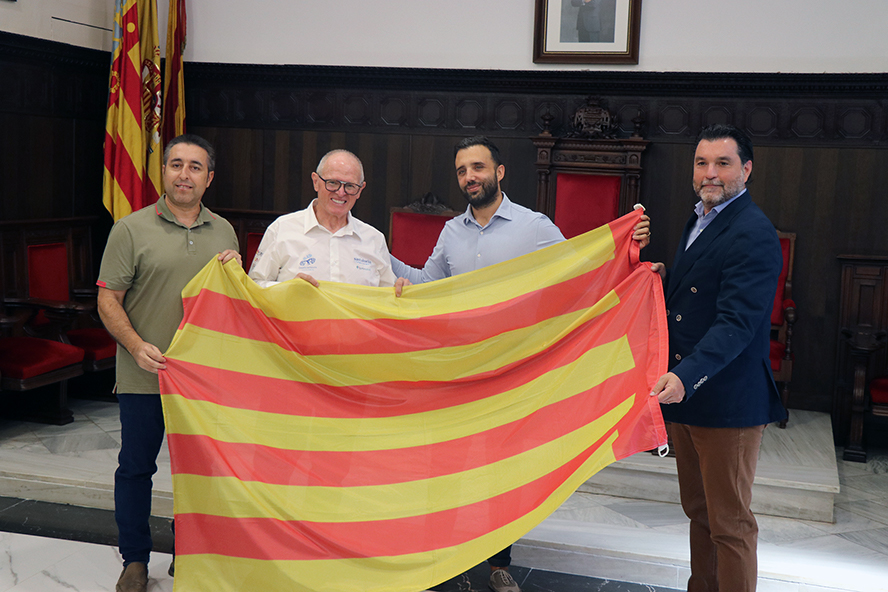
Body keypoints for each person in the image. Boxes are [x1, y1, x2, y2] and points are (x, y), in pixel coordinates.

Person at [393, 135, 650, 592]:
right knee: (448, 467)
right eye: (461, 171)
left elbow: (581, 269)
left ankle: (498, 563)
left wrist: (628, 248)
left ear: (499, 172)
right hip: (459, 370)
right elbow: (428, 284)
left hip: (513, 371)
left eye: (477, 167)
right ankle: (447, 563)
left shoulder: (534, 227)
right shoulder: (451, 232)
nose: (469, 177)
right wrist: (379, 261)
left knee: (499, 472)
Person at [97, 134, 241, 592]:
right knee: (136, 469)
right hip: (144, 375)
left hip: (203, 381)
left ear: (209, 178)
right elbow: (108, 300)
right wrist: (136, 345)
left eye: (195, 167)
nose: (184, 174)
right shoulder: (130, 229)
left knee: (200, 475)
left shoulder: (224, 231)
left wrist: (237, 273)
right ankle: (134, 560)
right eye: (176, 164)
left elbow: (234, 303)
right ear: (164, 172)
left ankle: (190, 551)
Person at [648, 124, 786, 592]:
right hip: (691, 396)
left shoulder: (753, 231)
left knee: (730, 524)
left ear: (746, 169)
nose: (710, 173)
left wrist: (685, 376)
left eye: (722, 163)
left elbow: (737, 323)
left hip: (727, 400)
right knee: (700, 512)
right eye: (702, 162)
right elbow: (701, 292)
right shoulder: (701, 218)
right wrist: (664, 278)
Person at [249, 149, 396, 288]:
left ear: (360, 190)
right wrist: (287, 289)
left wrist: (401, 290)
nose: (341, 193)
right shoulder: (282, 229)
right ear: (315, 182)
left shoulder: (374, 239)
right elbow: (254, 286)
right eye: (332, 183)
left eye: (350, 186)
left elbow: (388, 296)